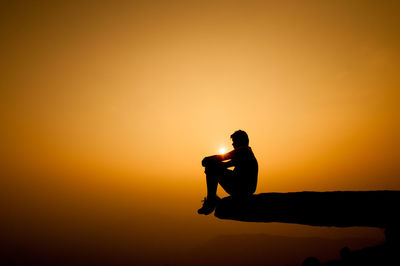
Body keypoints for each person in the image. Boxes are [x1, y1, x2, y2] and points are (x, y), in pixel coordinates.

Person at [198, 130, 258, 215]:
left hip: (242, 189)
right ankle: (212, 199)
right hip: (244, 188)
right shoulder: (246, 153)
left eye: (234, 142)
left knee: (211, 169)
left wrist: (208, 161)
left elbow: (221, 158)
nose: (232, 144)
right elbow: (226, 165)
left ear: (239, 141)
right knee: (212, 168)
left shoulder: (243, 151)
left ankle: (211, 200)